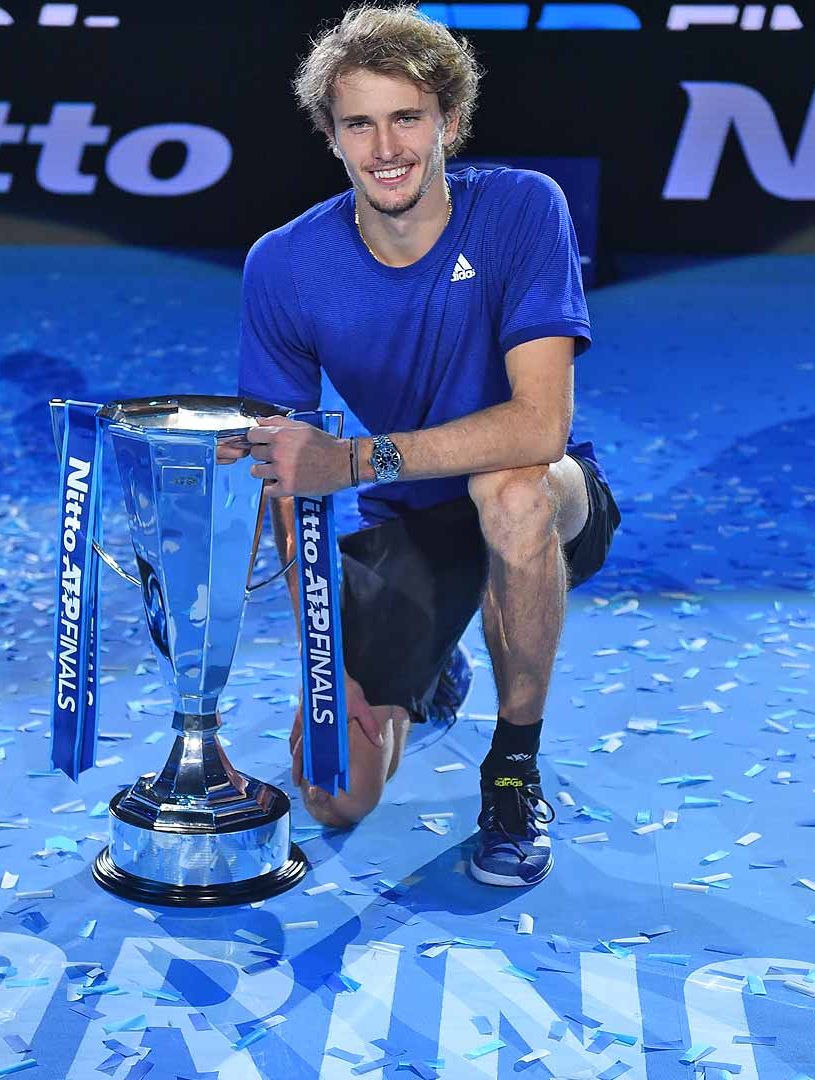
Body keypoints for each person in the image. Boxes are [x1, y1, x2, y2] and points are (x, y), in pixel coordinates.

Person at [233, 3, 619, 887]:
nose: (386, 148)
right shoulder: (284, 264)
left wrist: (357, 461)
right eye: (358, 124)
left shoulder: (525, 208)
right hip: (414, 523)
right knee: (336, 795)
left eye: (407, 117)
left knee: (510, 491)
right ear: (331, 137)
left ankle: (513, 769)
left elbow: (538, 425)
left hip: (552, 495)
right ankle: (430, 662)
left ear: (450, 121)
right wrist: (328, 662)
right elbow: (284, 473)